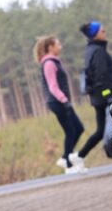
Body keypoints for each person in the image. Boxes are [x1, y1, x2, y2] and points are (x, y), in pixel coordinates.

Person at [35, 35, 86, 174]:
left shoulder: (54, 62)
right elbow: (53, 86)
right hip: (57, 102)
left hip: (61, 101)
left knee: (78, 128)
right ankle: (68, 164)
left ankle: (66, 159)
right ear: (50, 47)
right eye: (58, 44)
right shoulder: (49, 63)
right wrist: (64, 100)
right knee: (71, 131)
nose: (60, 46)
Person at [76, 21, 112, 161]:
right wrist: (110, 94)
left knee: (100, 131)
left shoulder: (90, 50)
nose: (104, 31)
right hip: (105, 97)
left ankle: (79, 156)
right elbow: (102, 76)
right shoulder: (98, 51)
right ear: (95, 35)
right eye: (102, 31)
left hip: (97, 97)